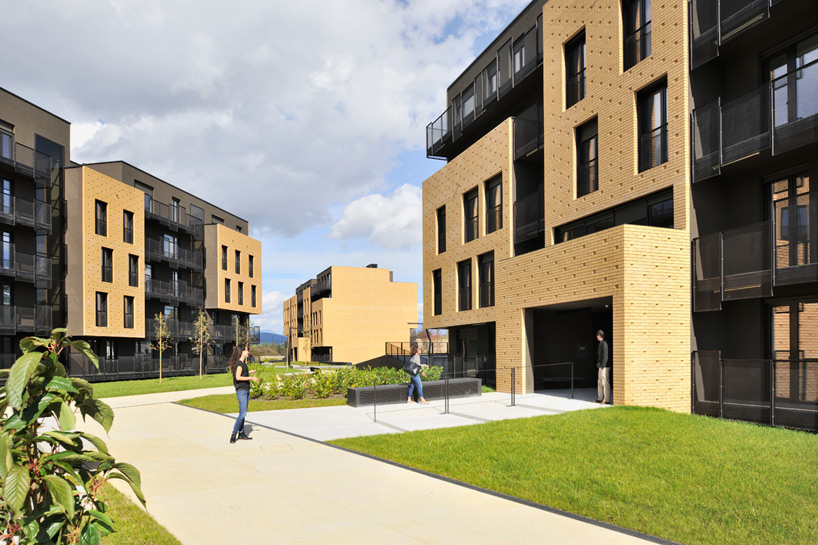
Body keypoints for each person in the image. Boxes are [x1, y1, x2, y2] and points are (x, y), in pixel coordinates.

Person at [230, 345, 259, 443]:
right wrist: (251, 378)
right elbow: (238, 377)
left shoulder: (242, 363)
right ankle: (233, 434)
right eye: (246, 350)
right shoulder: (239, 364)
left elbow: (241, 374)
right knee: (242, 414)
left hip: (245, 390)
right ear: (242, 352)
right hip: (242, 390)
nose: (248, 351)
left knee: (243, 413)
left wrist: (249, 372)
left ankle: (241, 433)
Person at [595, 330, 610, 405]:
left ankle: (606, 399)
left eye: (597, 335)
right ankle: (600, 398)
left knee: (605, 382)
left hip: (604, 366)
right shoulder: (601, 343)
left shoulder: (604, 343)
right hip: (601, 366)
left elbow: (605, 356)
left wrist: (603, 365)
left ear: (599, 335)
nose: (596, 336)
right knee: (599, 381)